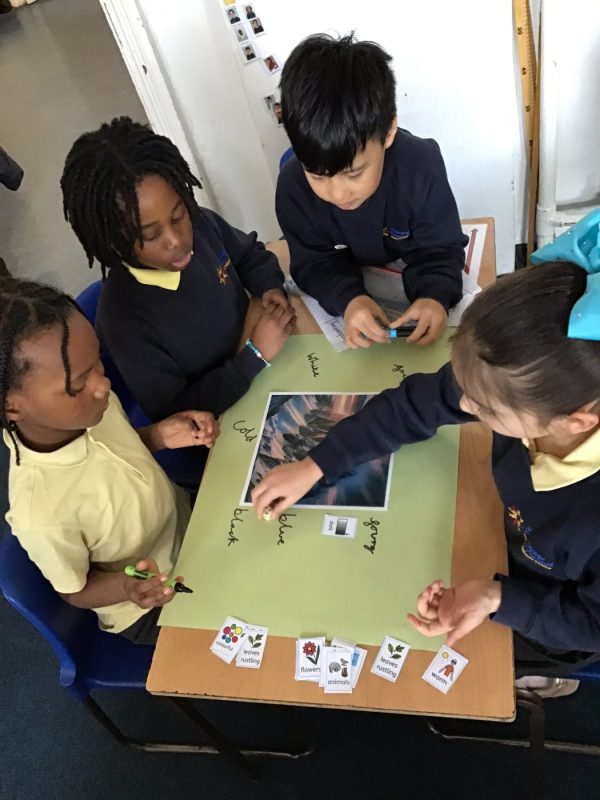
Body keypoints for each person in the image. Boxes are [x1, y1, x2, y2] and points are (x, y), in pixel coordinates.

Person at [252, 214, 600, 689]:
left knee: (464, 677)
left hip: (554, 612)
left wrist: (499, 599)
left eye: (487, 410)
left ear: (577, 421)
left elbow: (591, 622)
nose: (466, 406)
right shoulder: (520, 382)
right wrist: (317, 464)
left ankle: (542, 681)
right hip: (509, 543)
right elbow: (419, 403)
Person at [1, 275, 219, 644]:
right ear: (12, 407)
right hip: (150, 600)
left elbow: (119, 451)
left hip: (187, 523)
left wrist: (159, 435)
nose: (102, 385)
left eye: (98, 365)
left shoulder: (89, 406)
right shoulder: (40, 513)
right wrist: (128, 587)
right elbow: (75, 591)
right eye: (78, 384)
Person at [61, 117, 295, 425]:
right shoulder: (123, 319)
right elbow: (173, 411)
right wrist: (255, 355)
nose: (177, 240)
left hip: (268, 361)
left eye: (178, 215)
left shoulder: (201, 225)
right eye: (151, 235)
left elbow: (250, 255)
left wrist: (269, 288)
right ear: (113, 240)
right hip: (226, 415)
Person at [277, 34, 468, 349]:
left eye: (354, 173)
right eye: (317, 175)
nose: (338, 194)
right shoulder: (292, 188)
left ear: (389, 131)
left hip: (404, 268)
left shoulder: (421, 165)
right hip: (350, 281)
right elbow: (312, 262)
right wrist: (349, 299)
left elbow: (440, 248)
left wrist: (434, 296)